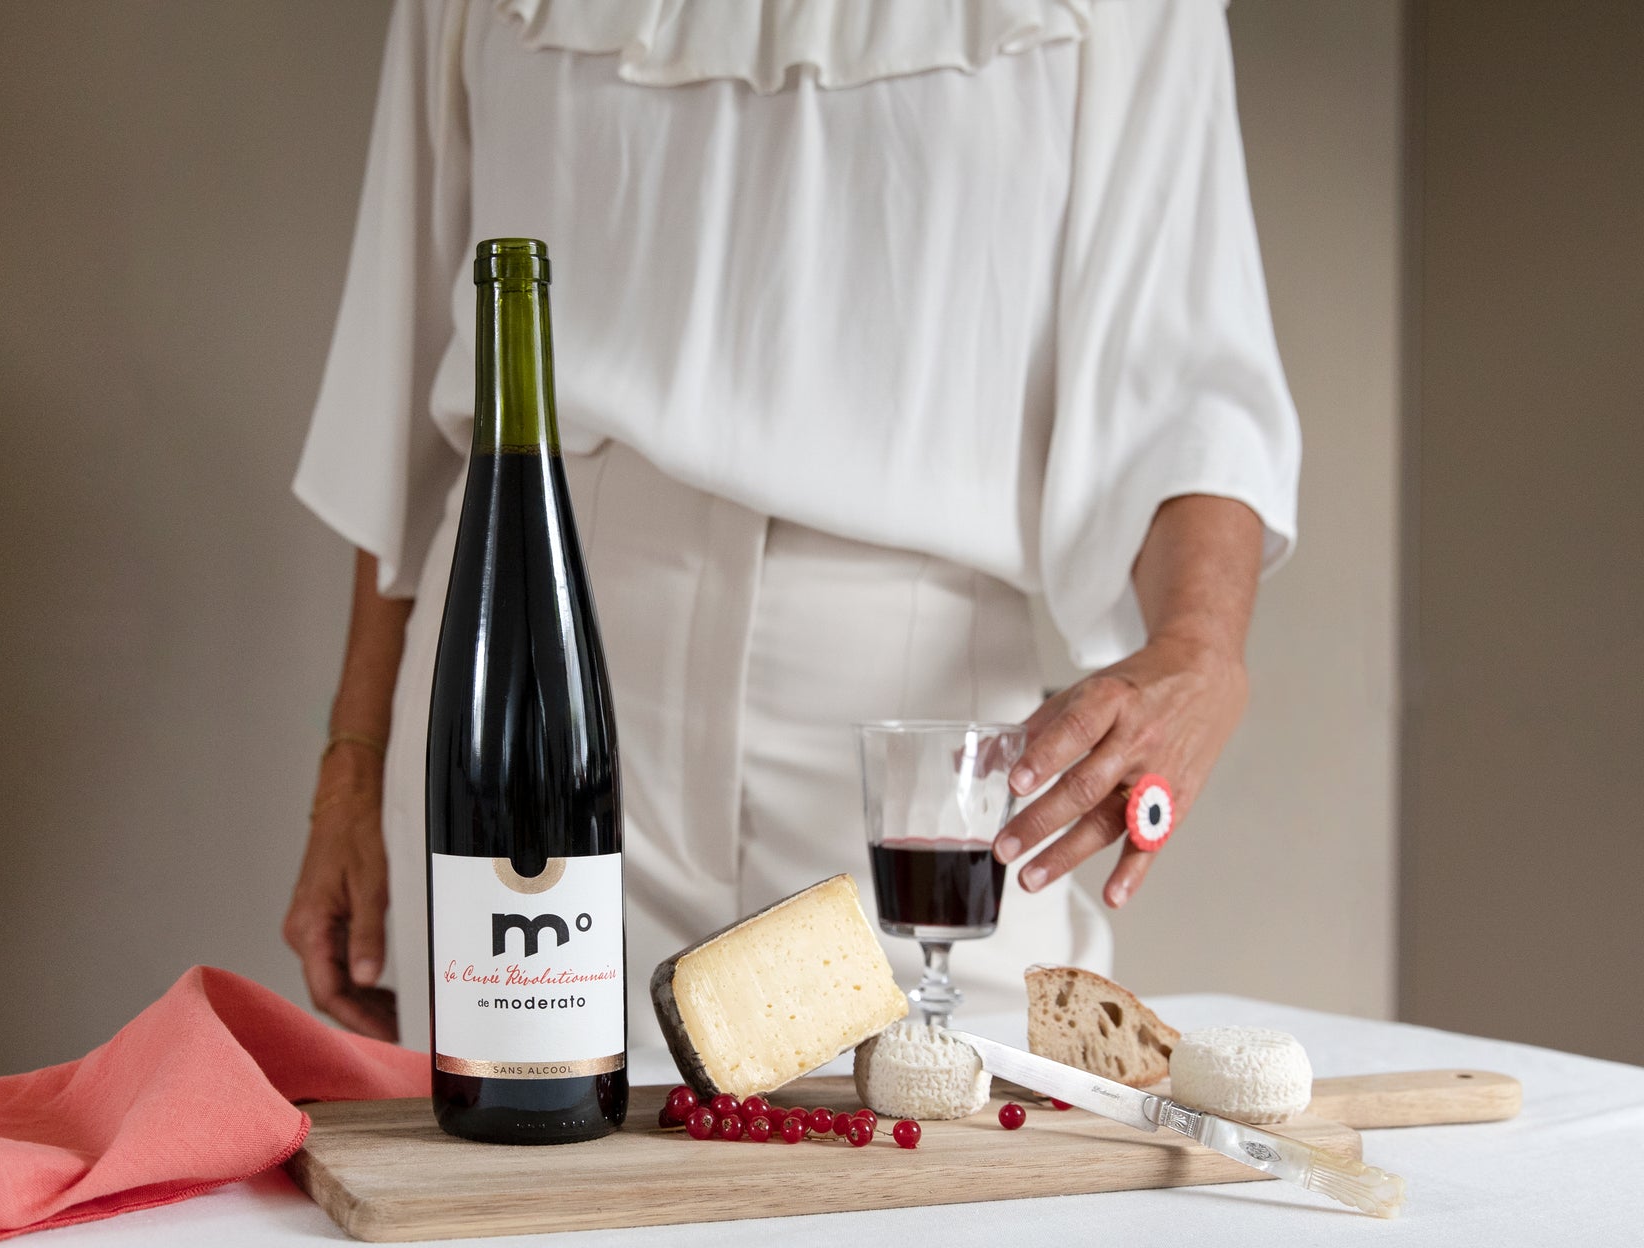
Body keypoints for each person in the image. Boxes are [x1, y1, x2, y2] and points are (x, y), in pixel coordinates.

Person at [286, 0, 1299, 1047]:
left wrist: (1200, 647)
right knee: (516, 1132)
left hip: (907, 734)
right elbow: (407, 367)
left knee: (961, 1127)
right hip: (536, 672)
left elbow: (1188, 381)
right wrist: (351, 764)